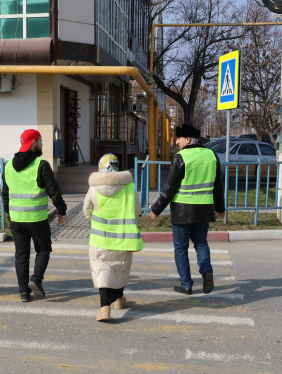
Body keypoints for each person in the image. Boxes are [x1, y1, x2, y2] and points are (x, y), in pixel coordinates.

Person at [150, 123, 225, 295]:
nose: (176, 142)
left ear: (188, 139)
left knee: (181, 248)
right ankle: (207, 273)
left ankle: (186, 284)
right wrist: (220, 207)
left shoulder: (180, 157)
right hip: (205, 209)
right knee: (201, 243)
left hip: (183, 211)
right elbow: (218, 186)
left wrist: (156, 208)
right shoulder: (212, 155)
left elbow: (170, 188)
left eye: (179, 138)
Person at [2, 129, 67, 302]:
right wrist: (62, 210)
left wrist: (7, 211)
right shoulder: (41, 164)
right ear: (33, 143)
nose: (42, 144)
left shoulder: (8, 165)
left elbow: (5, 192)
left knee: (21, 255)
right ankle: (36, 280)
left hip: (17, 219)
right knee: (43, 249)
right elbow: (54, 191)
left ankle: (24, 292)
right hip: (37, 219)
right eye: (40, 141)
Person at [83, 154, 143, 322]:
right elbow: (137, 210)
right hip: (123, 238)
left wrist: (95, 222)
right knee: (120, 269)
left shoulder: (94, 188)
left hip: (99, 240)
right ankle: (118, 300)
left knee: (102, 272)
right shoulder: (129, 187)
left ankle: (105, 308)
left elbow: (86, 210)